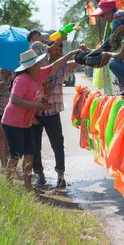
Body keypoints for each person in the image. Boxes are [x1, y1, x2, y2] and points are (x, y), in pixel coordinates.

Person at [2, 47, 79, 190]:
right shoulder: (22, 79)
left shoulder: (37, 74)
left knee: (30, 153)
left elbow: (56, 66)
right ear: (30, 66)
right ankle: (9, 187)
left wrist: (70, 53)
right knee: (15, 155)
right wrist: (37, 106)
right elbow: (14, 100)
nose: (40, 64)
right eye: (37, 63)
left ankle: (27, 185)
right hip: (13, 122)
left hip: (25, 122)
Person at [32, 41, 78, 189]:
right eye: (56, 48)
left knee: (58, 144)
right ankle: (39, 174)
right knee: (35, 145)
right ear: (49, 50)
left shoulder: (62, 66)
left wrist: (82, 53)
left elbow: (74, 64)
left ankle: (60, 175)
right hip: (35, 112)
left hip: (52, 112)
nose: (59, 50)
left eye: (60, 48)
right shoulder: (37, 66)